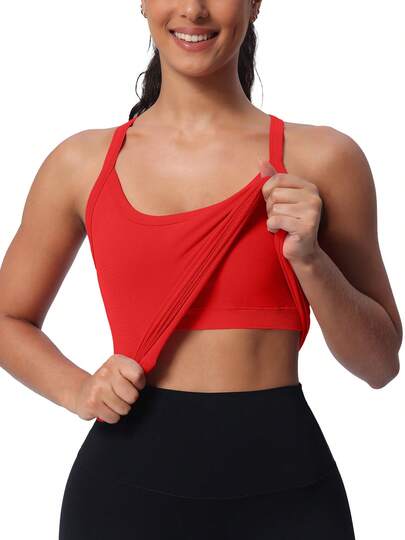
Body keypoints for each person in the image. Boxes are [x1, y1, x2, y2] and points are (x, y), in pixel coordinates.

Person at [0, 1, 402, 539]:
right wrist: (78, 390)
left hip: (288, 497)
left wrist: (311, 260)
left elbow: (379, 364)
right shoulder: (81, 164)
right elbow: (8, 318)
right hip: (124, 496)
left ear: (254, 4)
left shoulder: (324, 159)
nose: (193, 9)